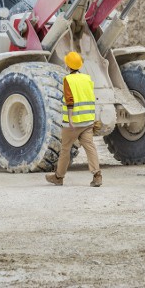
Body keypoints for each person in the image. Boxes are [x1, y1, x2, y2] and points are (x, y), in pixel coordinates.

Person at [45, 51, 102, 187]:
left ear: (68, 65)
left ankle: (59, 177)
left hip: (73, 123)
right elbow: (91, 98)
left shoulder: (68, 80)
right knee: (90, 147)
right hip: (87, 121)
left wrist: (70, 119)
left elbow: (70, 100)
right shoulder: (87, 78)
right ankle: (97, 176)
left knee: (65, 149)